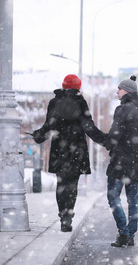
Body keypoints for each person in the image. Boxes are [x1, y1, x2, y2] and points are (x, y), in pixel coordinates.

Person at [32, 74, 106, 232]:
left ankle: (62, 214)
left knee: (61, 184)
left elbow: (49, 126)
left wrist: (38, 136)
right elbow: (88, 127)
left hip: (60, 150)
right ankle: (68, 216)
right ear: (78, 87)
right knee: (72, 185)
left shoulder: (54, 102)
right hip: (77, 150)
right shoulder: (80, 102)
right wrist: (104, 140)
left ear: (64, 85)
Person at [104, 75, 138, 247]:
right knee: (133, 199)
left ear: (127, 91)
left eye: (119, 89)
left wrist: (110, 145)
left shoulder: (122, 109)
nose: (117, 91)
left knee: (113, 196)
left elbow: (115, 135)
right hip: (137, 161)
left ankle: (123, 232)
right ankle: (131, 235)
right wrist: (136, 152)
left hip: (120, 161)